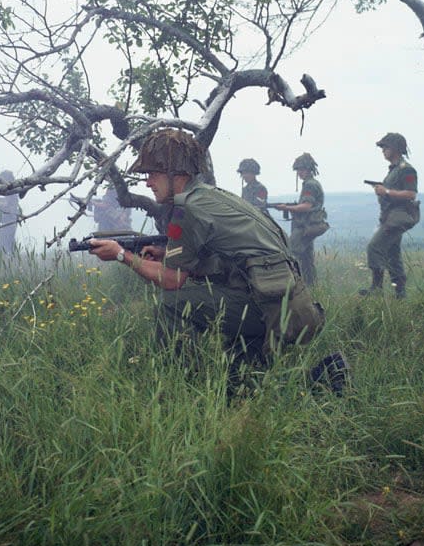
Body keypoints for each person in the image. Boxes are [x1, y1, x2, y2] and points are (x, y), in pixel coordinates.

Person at [88, 129, 323, 374]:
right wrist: (167, 254)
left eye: (153, 174)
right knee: (242, 379)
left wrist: (121, 255)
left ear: (174, 172)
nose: (147, 182)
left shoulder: (186, 208)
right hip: (289, 306)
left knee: (171, 304)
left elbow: (171, 280)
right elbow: (227, 258)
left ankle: (183, 381)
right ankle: (326, 375)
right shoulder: (212, 197)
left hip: (270, 309)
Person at [360, 132, 419, 299]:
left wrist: (385, 191)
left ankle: (376, 288)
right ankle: (401, 295)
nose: (383, 150)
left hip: (398, 217)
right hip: (390, 216)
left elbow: (411, 194)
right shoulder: (393, 171)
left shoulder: (406, 169)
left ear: (395, 148)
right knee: (393, 255)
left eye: (386, 147)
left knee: (374, 247)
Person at [268, 153, 328, 286]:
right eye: (298, 170)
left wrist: (287, 208)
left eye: (301, 169)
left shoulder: (310, 185)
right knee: (307, 260)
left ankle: (292, 286)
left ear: (308, 169)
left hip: (304, 227)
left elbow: (306, 206)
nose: (299, 173)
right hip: (308, 227)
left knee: (291, 254)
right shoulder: (311, 183)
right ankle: (311, 287)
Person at [0, 169, 20, 254]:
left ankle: (9, 263)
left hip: (9, 224)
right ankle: (11, 262)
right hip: (6, 224)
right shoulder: (9, 192)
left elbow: (7, 205)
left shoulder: (13, 192)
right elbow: (3, 199)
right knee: (4, 244)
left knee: (3, 244)